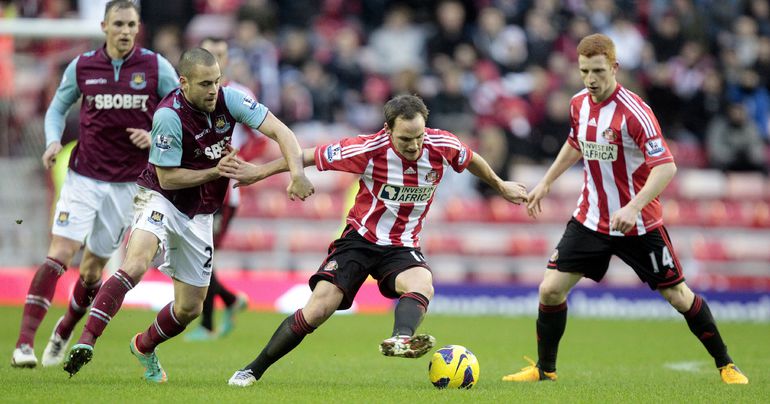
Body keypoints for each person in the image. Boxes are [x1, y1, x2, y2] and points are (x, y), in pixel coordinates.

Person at [223, 94, 529, 387]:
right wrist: (259, 172)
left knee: (422, 283)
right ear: (388, 130)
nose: (414, 145)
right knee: (317, 310)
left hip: (401, 245)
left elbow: (471, 158)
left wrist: (500, 185)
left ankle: (401, 338)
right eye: (405, 139)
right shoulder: (367, 149)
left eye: (419, 136)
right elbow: (306, 156)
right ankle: (252, 369)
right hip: (359, 241)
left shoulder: (442, 144)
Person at [502, 34, 748, 385]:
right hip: (591, 220)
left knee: (678, 296)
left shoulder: (636, 112)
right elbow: (575, 142)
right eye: (584, 71)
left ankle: (726, 364)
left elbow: (666, 167)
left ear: (615, 67)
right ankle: (545, 371)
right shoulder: (578, 104)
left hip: (638, 225)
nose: (590, 79)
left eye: (598, 71)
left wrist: (633, 207)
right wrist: (546, 182)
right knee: (550, 290)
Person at [61, 47, 314, 382]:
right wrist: (216, 171)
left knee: (190, 308)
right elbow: (168, 178)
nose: (213, 90)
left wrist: (297, 173)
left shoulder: (230, 99)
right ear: (183, 83)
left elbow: (282, 132)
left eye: (217, 81)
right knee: (135, 264)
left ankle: (144, 345)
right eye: (205, 83)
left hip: (200, 212)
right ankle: (87, 340)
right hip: (160, 198)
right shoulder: (169, 115)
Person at [11, 0, 179, 368]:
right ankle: (23, 344)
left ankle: (65, 327)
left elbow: (180, 110)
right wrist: (52, 141)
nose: (125, 31)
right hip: (83, 176)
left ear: (138, 28)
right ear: (104, 26)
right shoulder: (84, 66)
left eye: (131, 24)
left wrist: (155, 135)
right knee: (60, 251)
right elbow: (57, 107)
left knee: (91, 271)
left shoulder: (155, 67)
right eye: (118, 24)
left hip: (127, 186)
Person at [183, 37, 262, 342]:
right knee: (196, 254)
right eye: (209, 52)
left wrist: (240, 161)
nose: (215, 57)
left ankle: (207, 323)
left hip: (224, 191)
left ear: (226, 60)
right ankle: (229, 300)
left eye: (220, 54)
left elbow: (260, 138)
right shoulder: (186, 95)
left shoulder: (238, 95)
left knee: (204, 254)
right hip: (193, 185)